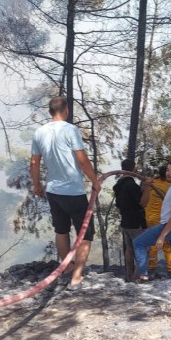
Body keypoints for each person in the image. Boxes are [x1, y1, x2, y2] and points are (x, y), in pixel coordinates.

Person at [30, 96, 101, 289]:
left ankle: (67, 267)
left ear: (50, 111)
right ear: (67, 110)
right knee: (86, 233)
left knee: (61, 229)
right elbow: (83, 160)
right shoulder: (71, 130)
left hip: (53, 190)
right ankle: (77, 276)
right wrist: (95, 181)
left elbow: (34, 162)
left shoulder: (39, 132)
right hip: (73, 191)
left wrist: (37, 184)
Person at [133, 160, 171, 281]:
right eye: (168, 170)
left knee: (138, 243)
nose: (169, 173)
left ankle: (143, 275)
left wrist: (162, 236)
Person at [112, 159, 150, 282]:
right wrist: (148, 187)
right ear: (134, 169)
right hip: (136, 224)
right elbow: (143, 203)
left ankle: (129, 277)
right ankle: (137, 280)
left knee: (129, 249)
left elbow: (133, 200)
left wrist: (143, 188)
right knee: (143, 250)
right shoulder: (131, 185)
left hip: (126, 223)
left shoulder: (119, 185)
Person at [143, 165, 171, 277]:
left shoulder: (153, 182)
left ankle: (152, 269)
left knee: (152, 243)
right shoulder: (170, 187)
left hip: (149, 218)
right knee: (166, 244)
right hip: (162, 219)